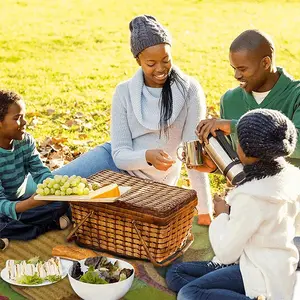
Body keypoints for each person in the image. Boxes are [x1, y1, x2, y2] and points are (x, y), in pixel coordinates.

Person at [47, 15, 213, 225]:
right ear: (138, 61)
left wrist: (205, 210)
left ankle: (63, 216)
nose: (161, 69)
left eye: (166, 59)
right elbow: (119, 155)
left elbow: (193, 155)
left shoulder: (190, 90)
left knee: (94, 216)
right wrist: (146, 156)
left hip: (148, 185)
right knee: (48, 188)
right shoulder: (124, 92)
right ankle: (15, 215)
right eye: (151, 63)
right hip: (114, 162)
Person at [166, 108, 300, 300]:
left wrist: (222, 215)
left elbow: (226, 252)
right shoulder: (291, 177)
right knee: (175, 274)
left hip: (259, 274)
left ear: (244, 150)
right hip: (276, 266)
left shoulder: (251, 197)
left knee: (188, 293)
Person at [195, 29, 300, 259]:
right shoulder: (230, 99)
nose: (236, 76)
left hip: (289, 206)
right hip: (249, 203)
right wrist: (215, 165)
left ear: (265, 62)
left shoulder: (296, 94)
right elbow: (241, 160)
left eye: (242, 69)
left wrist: (235, 126)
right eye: (233, 68)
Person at [0, 90, 70, 248]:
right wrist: (32, 204)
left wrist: (54, 189)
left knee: (62, 203)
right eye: (17, 118)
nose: (24, 122)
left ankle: (11, 231)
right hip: (5, 206)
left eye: (24, 116)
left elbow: (40, 172)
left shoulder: (25, 141)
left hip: (20, 201)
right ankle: (46, 225)